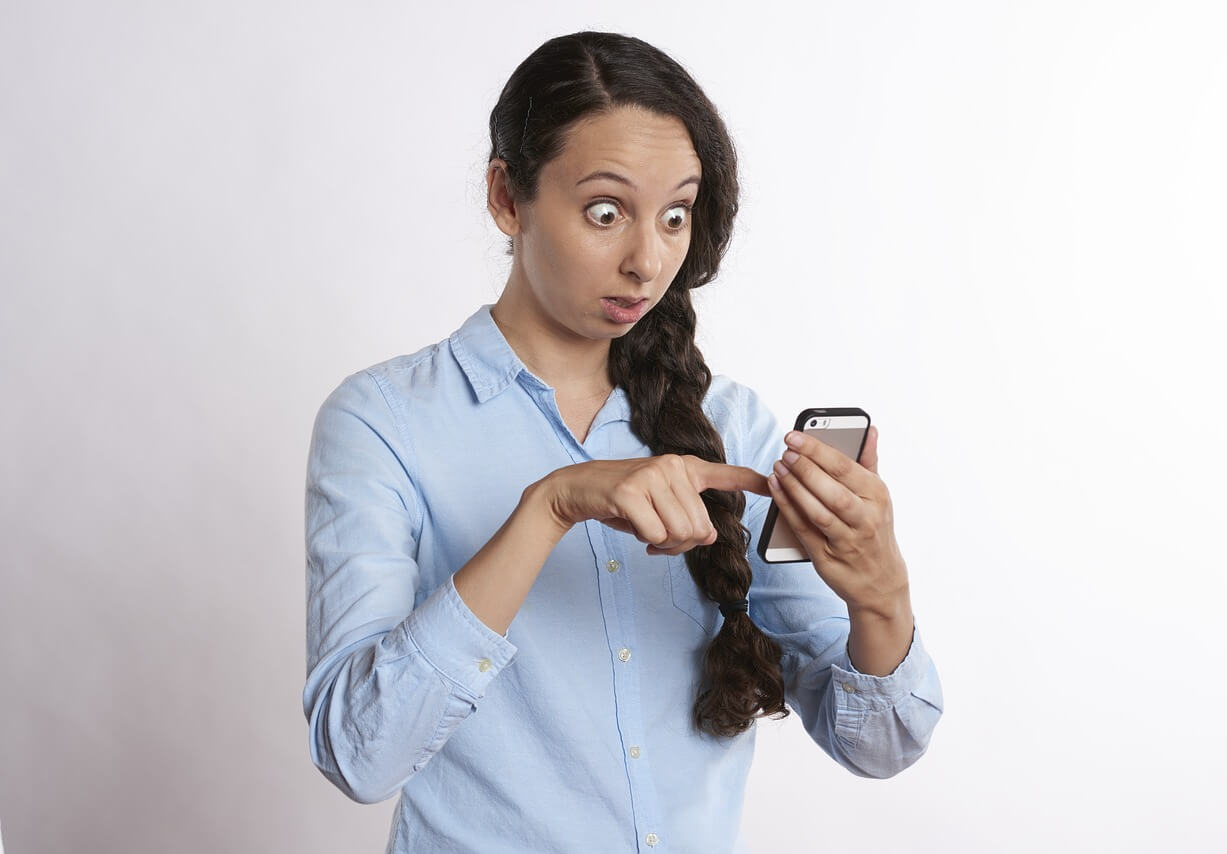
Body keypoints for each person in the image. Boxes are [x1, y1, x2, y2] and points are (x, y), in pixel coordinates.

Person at [302, 30, 943, 853]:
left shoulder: (730, 424)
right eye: (605, 213)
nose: (648, 261)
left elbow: (877, 746)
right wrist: (549, 508)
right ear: (507, 197)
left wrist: (880, 594)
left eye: (675, 216)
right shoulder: (383, 424)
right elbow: (359, 753)